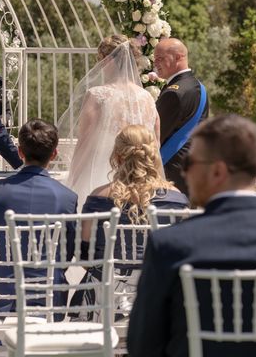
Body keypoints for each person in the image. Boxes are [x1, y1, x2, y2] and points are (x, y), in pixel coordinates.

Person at [127, 114, 256, 357]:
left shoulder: (170, 245)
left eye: (188, 164)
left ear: (217, 171)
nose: (184, 173)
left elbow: (142, 345)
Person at [70, 124, 189, 321]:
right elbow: (181, 254)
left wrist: (114, 275)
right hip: (158, 297)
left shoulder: (98, 198)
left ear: (117, 157)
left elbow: (84, 256)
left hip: (105, 299)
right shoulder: (177, 200)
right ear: (153, 156)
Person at [0, 118, 78, 312]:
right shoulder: (67, 198)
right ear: (54, 154)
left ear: (20, 152)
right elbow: (67, 253)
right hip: (49, 296)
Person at [58, 34, 160, 207]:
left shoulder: (97, 96)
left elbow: (84, 143)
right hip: (142, 180)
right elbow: (155, 143)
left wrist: (73, 180)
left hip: (101, 178)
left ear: (108, 61)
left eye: (100, 60)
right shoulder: (147, 98)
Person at [154, 38, 208, 195]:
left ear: (178, 57)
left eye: (160, 58)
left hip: (172, 169)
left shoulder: (174, 93)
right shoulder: (197, 86)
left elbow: (156, 135)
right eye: (155, 59)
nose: (155, 63)